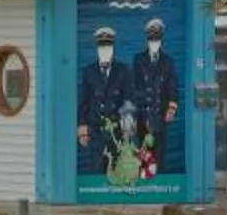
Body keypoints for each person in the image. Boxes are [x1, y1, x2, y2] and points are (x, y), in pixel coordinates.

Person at [75, 25, 130, 174]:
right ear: (97, 48)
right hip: (96, 132)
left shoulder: (123, 71)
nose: (105, 49)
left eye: (108, 45)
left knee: (118, 172)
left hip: (117, 132)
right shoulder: (89, 72)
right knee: (97, 172)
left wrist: (128, 126)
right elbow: (84, 102)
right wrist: (81, 128)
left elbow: (128, 101)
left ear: (113, 47)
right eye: (102, 45)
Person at [131, 17, 180, 180]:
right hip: (142, 116)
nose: (154, 42)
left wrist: (172, 108)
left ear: (161, 40)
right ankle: (145, 188)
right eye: (152, 39)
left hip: (160, 116)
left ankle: (159, 186)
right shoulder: (138, 60)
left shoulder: (168, 61)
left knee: (159, 154)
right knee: (144, 154)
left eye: (157, 39)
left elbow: (172, 86)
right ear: (147, 40)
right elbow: (135, 87)